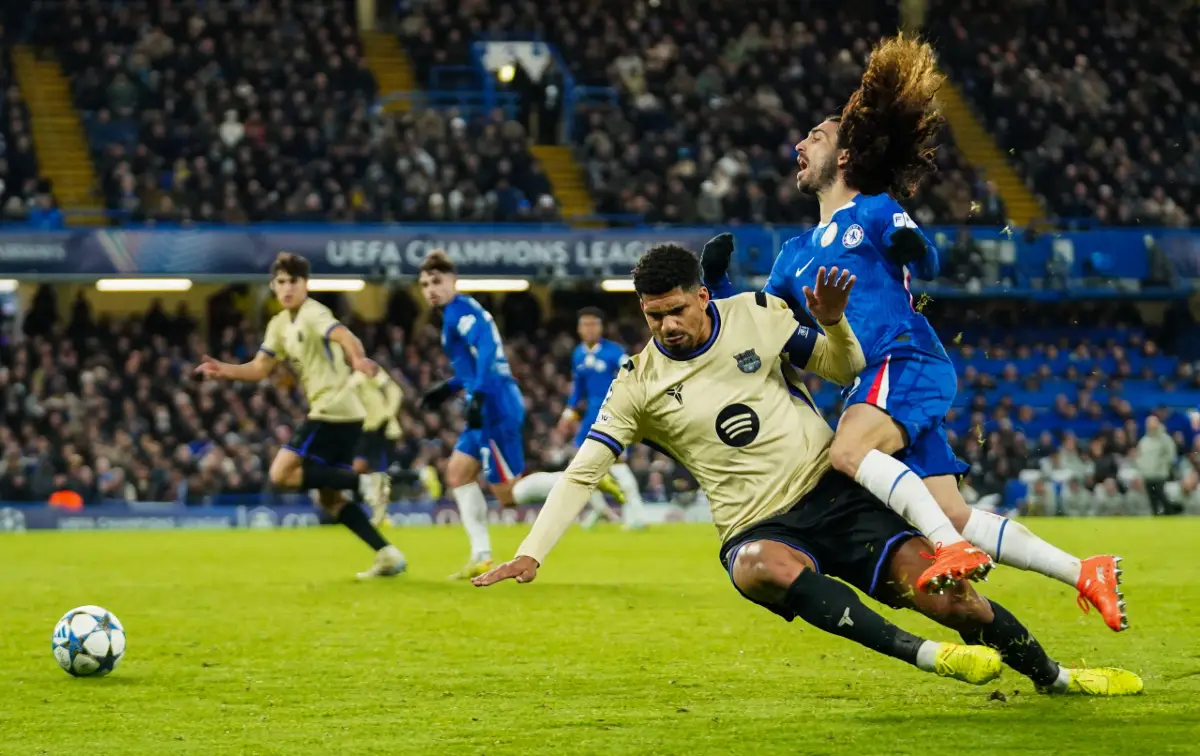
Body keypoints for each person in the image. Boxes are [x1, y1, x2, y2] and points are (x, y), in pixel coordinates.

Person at [475, 244, 1141, 697]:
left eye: (677, 309)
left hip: (835, 494)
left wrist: (834, 324)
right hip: (756, 523)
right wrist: (533, 552)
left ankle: (1052, 677)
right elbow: (583, 471)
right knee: (761, 566)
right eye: (653, 316)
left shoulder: (757, 317)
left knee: (956, 600)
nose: (668, 325)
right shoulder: (636, 382)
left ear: (703, 296)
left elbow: (842, 368)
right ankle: (930, 658)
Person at [702, 35, 1126, 632]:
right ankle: (1085, 570)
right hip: (879, 376)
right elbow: (764, 319)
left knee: (847, 452)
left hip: (904, 358)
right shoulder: (793, 253)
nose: (799, 145)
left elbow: (924, 261)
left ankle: (951, 554)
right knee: (950, 512)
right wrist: (718, 291)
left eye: (815, 138)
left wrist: (907, 243)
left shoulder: (872, 209)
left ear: (844, 157)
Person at [195, 252, 405, 580]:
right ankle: (387, 553)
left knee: (281, 474)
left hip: (332, 408)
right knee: (330, 497)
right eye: (281, 282)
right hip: (344, 414)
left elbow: (344, 335)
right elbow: (260, 368)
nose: (288, 288)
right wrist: (225, 371)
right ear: (273, 286)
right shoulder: (279, 324)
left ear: (305, 285)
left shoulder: (313, 313)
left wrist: (358, 359)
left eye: (294, 281)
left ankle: (367, 482)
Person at [417, 251, 622, 580]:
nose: (431, 289)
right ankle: (482, 555)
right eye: (425, 283)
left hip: (493, 405)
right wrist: (450, 386)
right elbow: (475, 362)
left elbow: (486, 351)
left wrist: (479, 393)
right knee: (457, 473)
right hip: (484, 401)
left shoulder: (460, 312)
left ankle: (584, 480)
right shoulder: (456, 313)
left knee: (508, 495)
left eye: (438, 281)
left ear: (454, 281)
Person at [558, 307, 646, 529]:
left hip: (611, 415)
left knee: (617, 463)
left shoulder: (614, 352)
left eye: (593, 324)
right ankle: (601, 510)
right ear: (579, 329)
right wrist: (569, 412)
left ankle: (636, 514)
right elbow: (578, 389)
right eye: (585, 324)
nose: (589, 329)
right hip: (589, 418)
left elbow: (633, 373)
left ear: (601, 327)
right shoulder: (578, 354)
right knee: (579, 466)